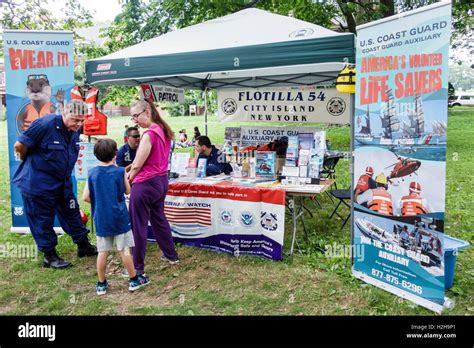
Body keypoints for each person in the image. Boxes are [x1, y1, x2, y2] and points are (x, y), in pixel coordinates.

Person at [13, 100, 97, 269]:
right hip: (39, 182)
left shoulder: (74, 128)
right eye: (75, 119)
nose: (79, 124)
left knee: (71, 212)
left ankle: (83, 245)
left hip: (62, 181)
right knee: (42, 219)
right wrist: (28, 161)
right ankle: (49, 256)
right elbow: (19, 145)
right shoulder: (45, 124)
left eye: (82, 120)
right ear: (64, 113)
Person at [82, 138, 148, 295]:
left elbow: (85, 197)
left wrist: (99, 201)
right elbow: (128, 191)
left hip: (101, 218)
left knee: (102, 251)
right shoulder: (120, 172)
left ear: (96, 155)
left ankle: (101, 284)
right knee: (124, 250)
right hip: (119, 218)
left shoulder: (92, 173)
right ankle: (133, 280)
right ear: (115, 154)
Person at [128, 99, 180, 278]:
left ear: (147, 111)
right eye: (132, 117)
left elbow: (137, 165)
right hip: (160, 182)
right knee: (159, 219)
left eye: (136, 115)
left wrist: (128, 178)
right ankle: (171, 254)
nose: (135, 120)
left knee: (138, 226)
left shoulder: (149, 134)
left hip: (145, 184)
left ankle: (137, 267)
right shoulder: (163, 130)